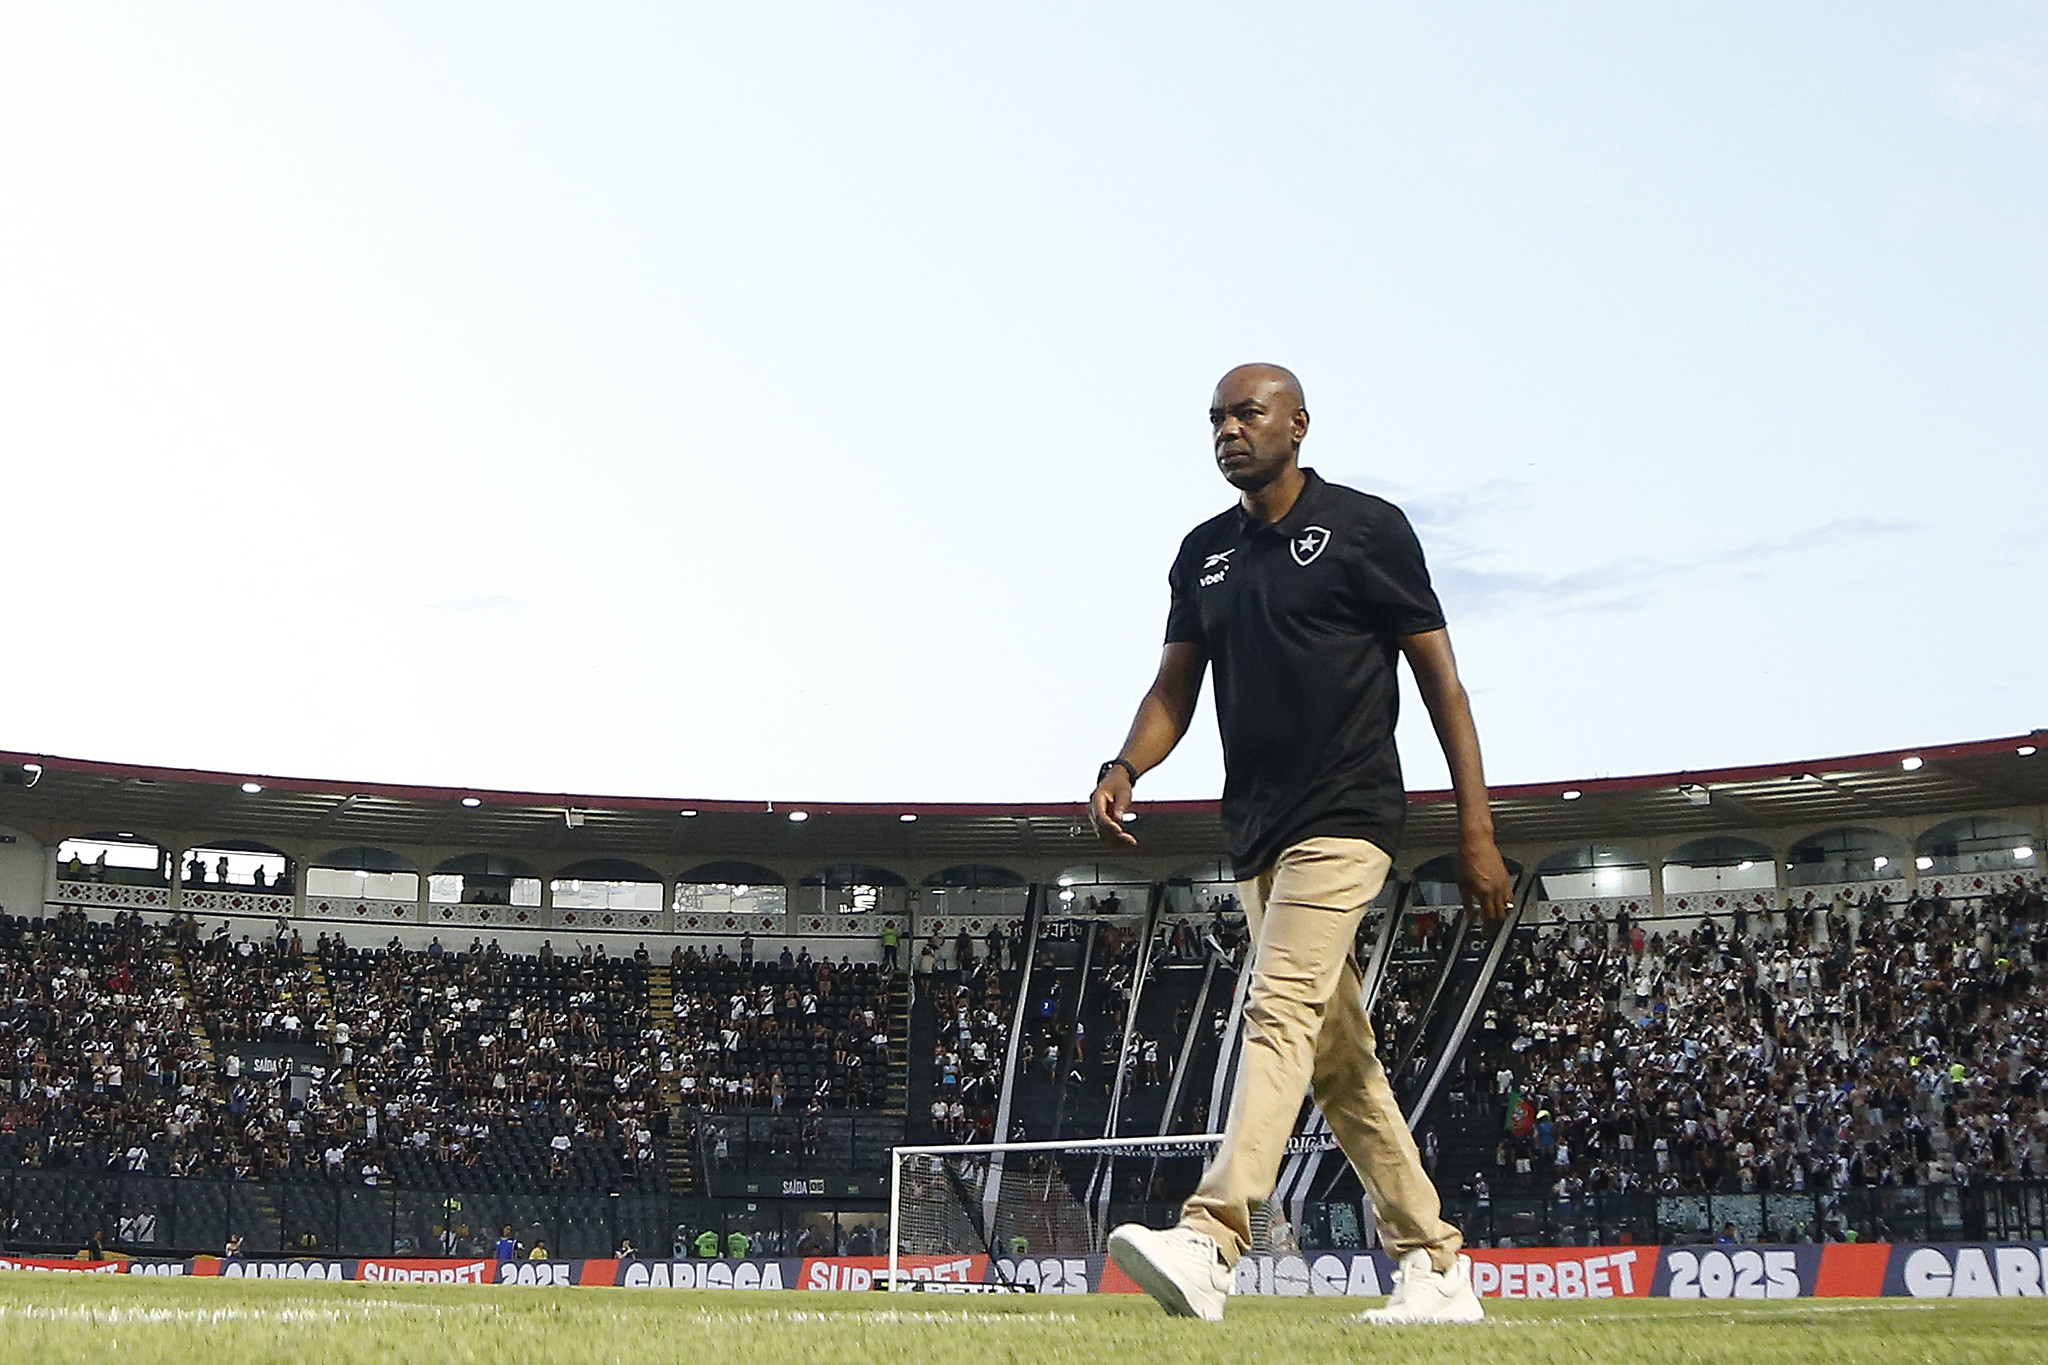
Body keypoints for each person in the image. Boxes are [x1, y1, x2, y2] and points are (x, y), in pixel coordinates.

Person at [1091, 364, 1510, 1326]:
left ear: (1298, 423)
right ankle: (1437, 1263)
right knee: (1337, 1056)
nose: (1228, 430)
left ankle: (1212, 1236)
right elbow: (1173, 694)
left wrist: (1476, 827)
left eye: (1247, 412)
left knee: (1277, 1009)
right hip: (1256, 834)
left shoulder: (1368, 528)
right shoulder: (1203, 554)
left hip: (1349, 815)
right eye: (1214, 419)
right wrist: (1124, 765)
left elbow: (1445, 685)